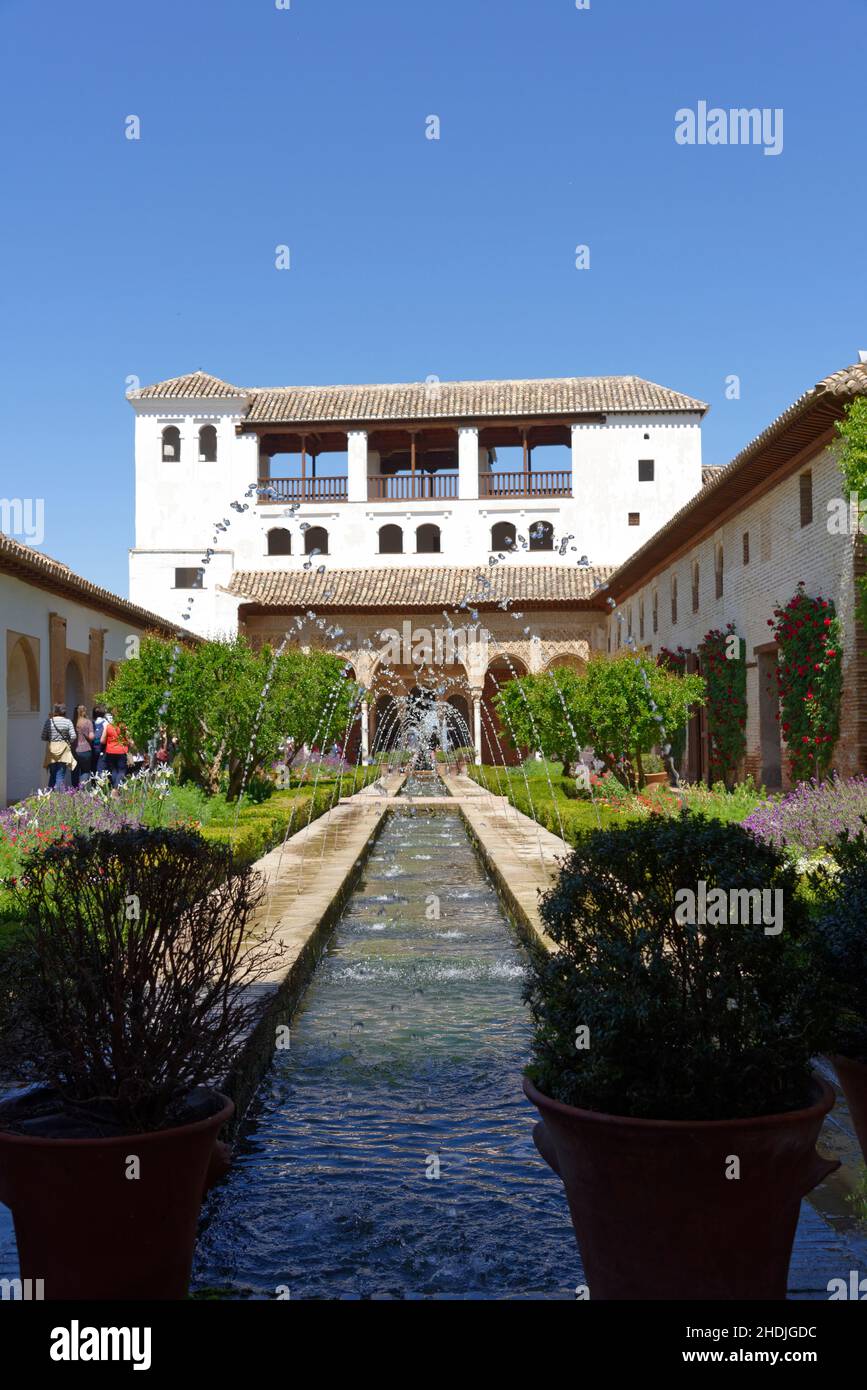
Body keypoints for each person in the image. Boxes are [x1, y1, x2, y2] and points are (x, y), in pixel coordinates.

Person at [41, 703, 77, 789]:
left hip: (51, 750)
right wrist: (67, 740)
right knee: (60, 775)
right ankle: (59, 798)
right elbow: (73, 736)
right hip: (64, 750)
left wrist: (52, 737)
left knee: (52, 775)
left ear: (55, 711)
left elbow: (43, 737)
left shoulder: (49, 721)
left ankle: (49, 797)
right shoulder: (68, 721)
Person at [101, 715, 130, 789]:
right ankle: (116, 789)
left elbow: (102, 741)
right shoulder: (123, 727)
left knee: (113, 770)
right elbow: (129, 740)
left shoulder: (108, 726)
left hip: (110, 752)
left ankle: (114, 788)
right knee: (121, 770)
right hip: (121, 751)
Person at [71, 704, 95, 787]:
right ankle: (83, 791)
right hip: (85, 750)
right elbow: (91, 737)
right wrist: (86, 735)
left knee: (74, 771)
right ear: (84, 711)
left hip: (74, 751)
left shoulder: (72, 723)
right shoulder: (88, 722)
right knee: (85, 771)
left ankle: (74, 792)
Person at [91, 704, 109, 775]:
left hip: (93, 748)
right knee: (101, 767)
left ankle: (93, 784)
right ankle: (101, 784)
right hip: (103, 748)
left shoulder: (91, 723)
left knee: (93, 767)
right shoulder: (106, 723)